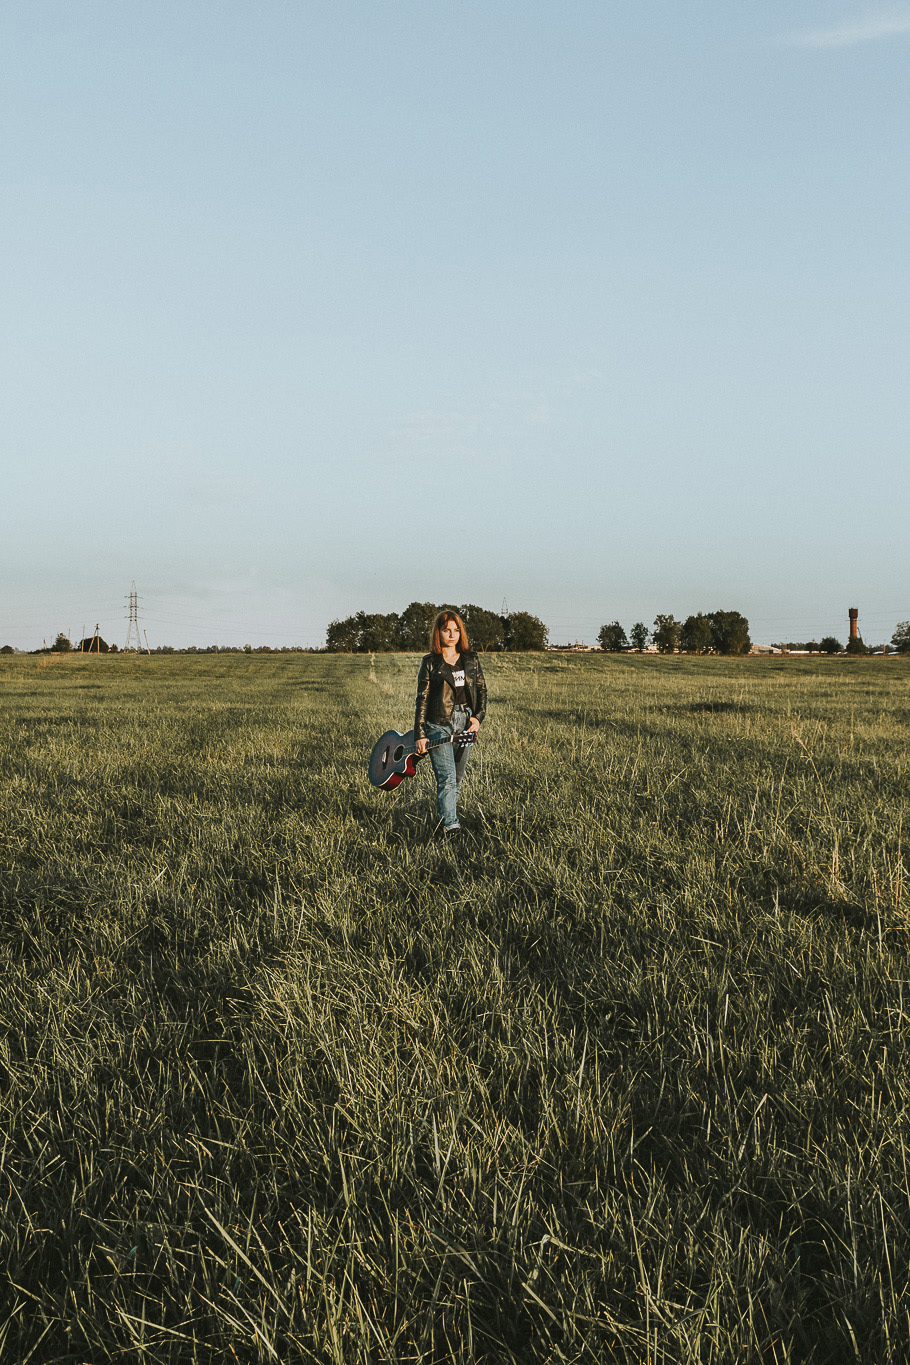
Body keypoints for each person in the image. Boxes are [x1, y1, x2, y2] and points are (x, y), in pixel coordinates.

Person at [414, 611, 487, 836]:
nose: (452, 634)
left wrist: (477, 717)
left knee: (457, 776)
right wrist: (420, 734)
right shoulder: (430, 662)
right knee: (446, 777)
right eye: (446, 630)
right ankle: (451, 827)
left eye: (456, 630)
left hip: (466, 722)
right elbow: (422, 699)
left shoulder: (471, 660)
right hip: (438, 724)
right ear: (438, 633)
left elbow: (482, 691)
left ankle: (445, 817)